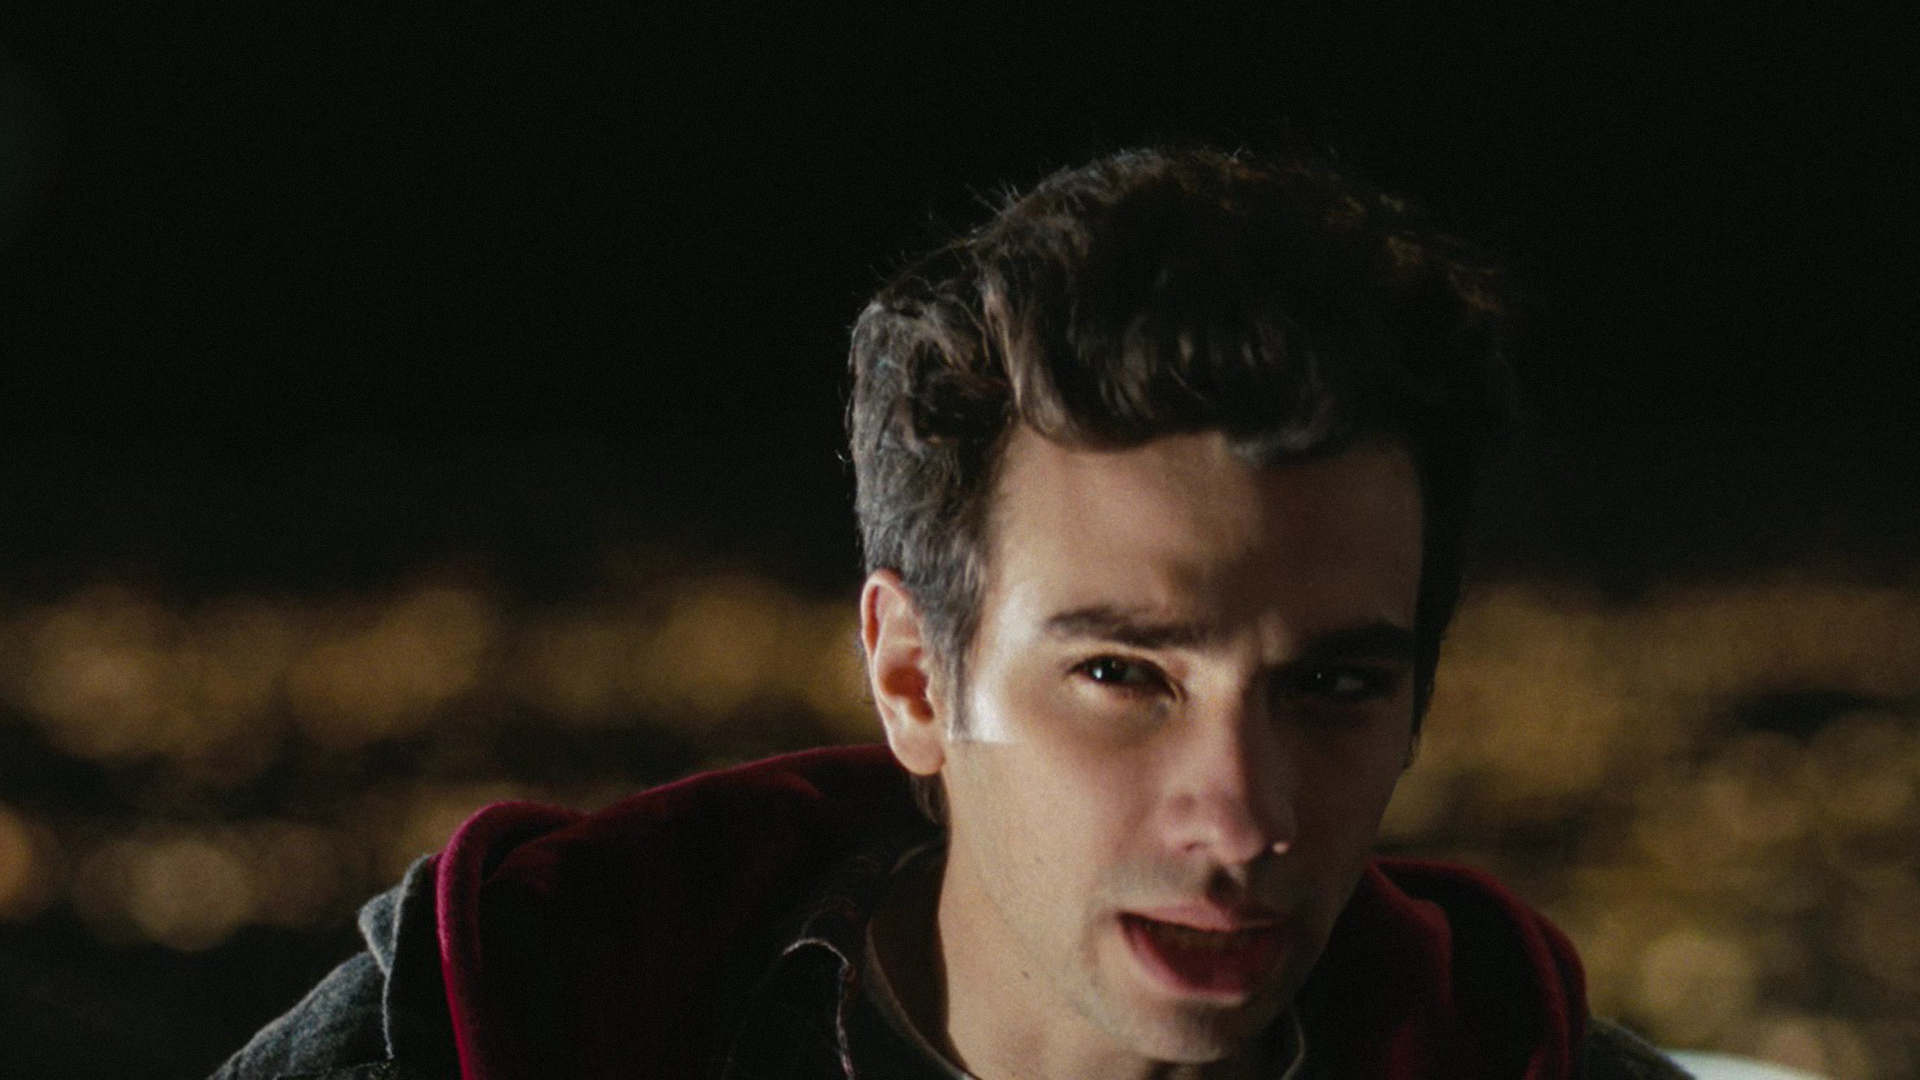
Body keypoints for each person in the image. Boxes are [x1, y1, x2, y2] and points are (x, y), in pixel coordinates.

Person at [213, 147, 1690, 1079]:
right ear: (916, 679)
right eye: (1123, 674)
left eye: (1334, 687)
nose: (1244, 822)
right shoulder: (490, 1031)